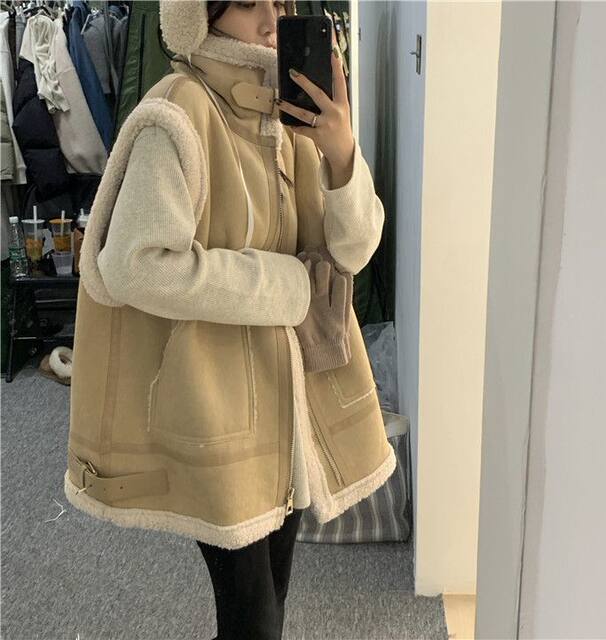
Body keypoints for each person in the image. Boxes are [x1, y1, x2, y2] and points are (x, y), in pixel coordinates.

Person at [63, 1, 397, 639]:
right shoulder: (177, 114)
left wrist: (341, 152)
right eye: (249, 2)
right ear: (200, 15)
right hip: (218, 410)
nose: (272, 21)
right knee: (254, 619)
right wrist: (288, 287)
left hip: (291, 403)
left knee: (271, 596)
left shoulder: (293, 115)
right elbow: (135, 264)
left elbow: (354, 251)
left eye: (281, 3)